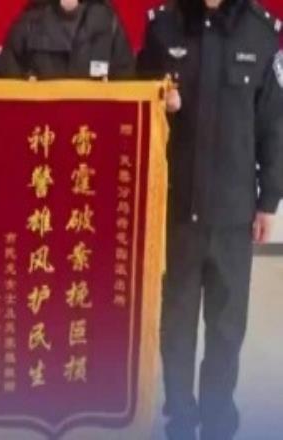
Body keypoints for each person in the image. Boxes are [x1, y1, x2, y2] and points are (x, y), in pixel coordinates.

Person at [138, 0, 283, 439]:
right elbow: (135, 113)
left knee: (226, 329)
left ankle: (218, 421)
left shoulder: (259, 33)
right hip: (177, 213)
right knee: (176, 329)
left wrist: (269, 201)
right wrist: (160, 105)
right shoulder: (164, 28)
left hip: (232, 215)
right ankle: (180, 420)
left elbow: (274, 126)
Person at [0, 0, 134, 79]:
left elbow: (128, 89)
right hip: (42, 119)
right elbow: (4, 92)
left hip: (93, 119)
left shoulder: (109, 23)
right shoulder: (28, 23)